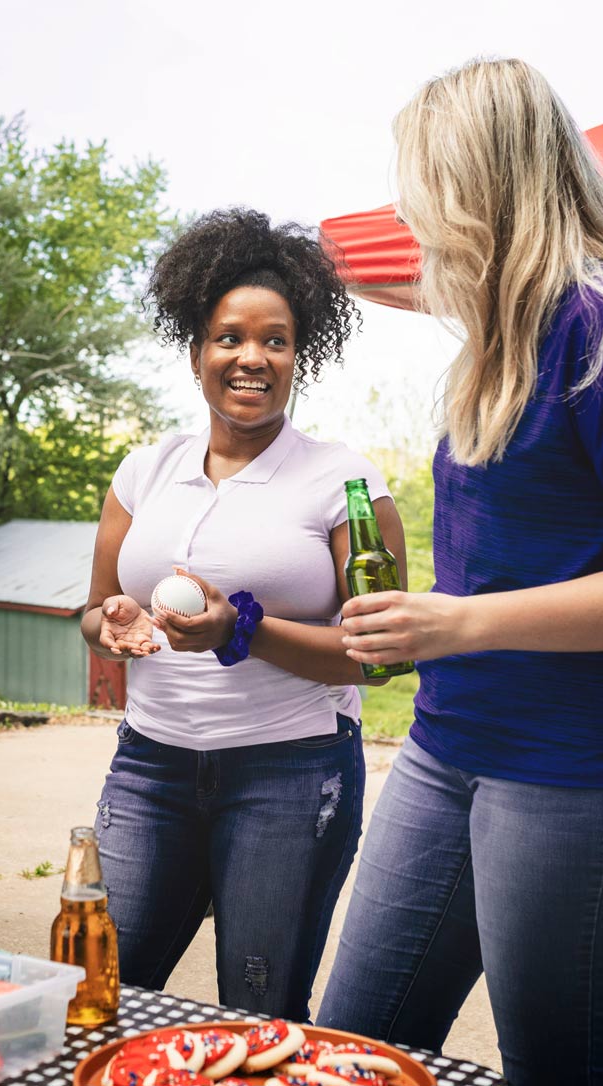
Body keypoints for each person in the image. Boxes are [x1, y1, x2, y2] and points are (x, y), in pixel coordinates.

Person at [316, 59, 603, 1084]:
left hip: (584, 772)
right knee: (352, 1048)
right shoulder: (503, 337)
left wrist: (459, 624)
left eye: (424, 183)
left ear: (481, 182)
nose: (414, 211)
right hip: (447, 747)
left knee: (555, 1070)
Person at [81, 208, 406, 1019]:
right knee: (102, 996)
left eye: (276, 339)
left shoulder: (343, 482)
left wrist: (242, 630)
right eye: (229, 337)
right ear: (197, 353)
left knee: (260, 1011)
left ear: (300, 356)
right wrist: (112, 624)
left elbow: (379, 653)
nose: (251, 357)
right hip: (150, 768)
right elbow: (92, 613)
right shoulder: (144, 470)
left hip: (291, 779)